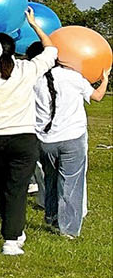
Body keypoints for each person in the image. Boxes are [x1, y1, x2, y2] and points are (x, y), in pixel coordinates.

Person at [0, 9, 57, 255]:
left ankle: (12, 230)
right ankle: (11, 240)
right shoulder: (26, 69)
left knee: (2, 187)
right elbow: (51, 50)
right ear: (14, 50)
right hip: (23, 139)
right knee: (17, 189)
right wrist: (34, 25)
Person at [33, 46, 106, 241]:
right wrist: (105, 79)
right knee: (70, 183)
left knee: (50, 178)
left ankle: (51, 216)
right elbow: (97, 96)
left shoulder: (34, 79)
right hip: (72, 138)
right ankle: (68, 229)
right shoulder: (73, 77)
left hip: (45, 140)